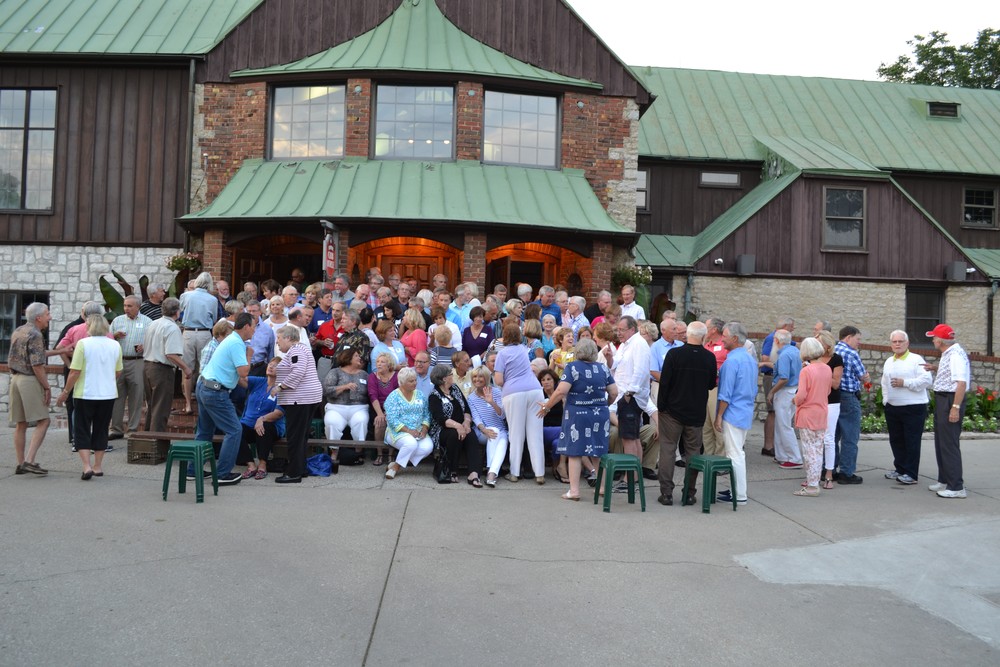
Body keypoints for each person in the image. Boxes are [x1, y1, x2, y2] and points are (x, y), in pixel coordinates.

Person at [537, 338, 617, 501]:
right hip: (599, 414)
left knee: (575, 452)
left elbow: (561, 391)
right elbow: (614, 392)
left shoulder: (572, 367)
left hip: (577, 414)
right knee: (598, 451)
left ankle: (574, 491)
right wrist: (604, 404)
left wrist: (547, 407)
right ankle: (603, 487)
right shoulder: (603, 368)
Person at [191, 312, 257, 485]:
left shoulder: (231, 339)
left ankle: (193, 470)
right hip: (215, 392)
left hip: (205, 386)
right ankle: (222, 474)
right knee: (234, 430)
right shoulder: (237, 343)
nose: (255, 330)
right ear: (246, 326)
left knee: (205, 431)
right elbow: (243, 372)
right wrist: (250, 355)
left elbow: (236, 376)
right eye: (254, 326)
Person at [656, 321, 717, 506]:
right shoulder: (709, 357)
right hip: (696, 411)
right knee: (693, 452)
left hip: (672, 410)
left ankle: (666, 493)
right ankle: (689, 493)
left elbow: (665, 382)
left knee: (667, 449)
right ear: (703, 337)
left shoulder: (674, 354)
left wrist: (661, 407)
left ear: (687, 335)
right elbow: (711, 384)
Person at [56, 315, 122, 480]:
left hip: (85, 393)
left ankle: (86, 466)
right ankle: (97, 466)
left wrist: (65, 391)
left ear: (89, 327)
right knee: (101, 429)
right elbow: (118, 371)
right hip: (107, 394)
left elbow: (75, 371)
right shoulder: (115, 345)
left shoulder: (83, 344)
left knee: (82, 428)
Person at [494, 321, 546, 483]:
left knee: (516, 434)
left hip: (514, 393)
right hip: (535, 390)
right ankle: (540, 474)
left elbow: (499, 380)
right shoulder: (524, 349)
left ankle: (514, 473)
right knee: (535, 434)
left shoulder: (502, 353)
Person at [10, 303, 59, 475]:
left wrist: (60, 350)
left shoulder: (19, 330)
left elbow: (36, 354)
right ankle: (29, 461)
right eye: (47, 314)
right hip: (29, 380)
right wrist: (47, 387)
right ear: (38, 317)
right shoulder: (36, 334)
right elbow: (37, 364)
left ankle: (21, 463)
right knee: (44, 420)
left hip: (16, 379)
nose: (49, 317)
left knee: (21, 423)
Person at [270, 326, 323, 484]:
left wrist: (280, 387)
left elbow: (298, 371)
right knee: (301, 437)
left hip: (300, 400)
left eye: (279, 339)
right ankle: (300, 468)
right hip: (305, 398)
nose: (277, 343)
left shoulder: (296, 350)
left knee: (295, 437)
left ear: (288, 338)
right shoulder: (300, 349)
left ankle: (293, 473)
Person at [712, 322, 757, 506]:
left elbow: (726, 394)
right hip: (745, 410)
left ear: (735, 338)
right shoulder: (749, 359)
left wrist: (719, 416)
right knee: (738, 452)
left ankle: (739, 494)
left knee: (734, 454)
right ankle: (736, 490)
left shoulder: (732, 361)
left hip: (733, 412)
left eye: (725, 336)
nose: (722, 339)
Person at [924, 324, 970, 498]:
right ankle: (945, 479)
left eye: (934, 337)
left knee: (949, 443)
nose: (933, 340)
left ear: (941, 340)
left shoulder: (955, 355)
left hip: (950, 399)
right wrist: (935, 368)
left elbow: (961, 383)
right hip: (944, 398)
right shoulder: (950, 353)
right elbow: (953, 374)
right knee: (941, 442)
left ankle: (956, 487)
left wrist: (955, 408)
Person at [881, 330, 932, 486]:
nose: (897, 344)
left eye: (900, 341)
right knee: (896, 440)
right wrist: (886, 400)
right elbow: (884, 382)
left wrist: (905, 383)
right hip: (893, 407)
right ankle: (900, 469)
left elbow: (927, 380)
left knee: (912, 441)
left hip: (913, 407)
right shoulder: (889, 361)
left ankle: (911, 473)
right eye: (894, 342)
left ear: (907, 343)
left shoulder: (916, 359)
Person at [610, 316, 657, 487]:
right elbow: (615, 364)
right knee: (633, 438)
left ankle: (630, 479)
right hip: (626, 395)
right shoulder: (625, 345)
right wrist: (608, 357)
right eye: (617, 330)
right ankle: (634, 476)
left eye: (622, 330)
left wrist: (630, 393)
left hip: (631, 396)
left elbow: (641, 370)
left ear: (632, 329)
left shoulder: (638, 344)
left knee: (629, 439)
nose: (619, 333)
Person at [141, 298, 192, 452]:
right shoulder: (172, 328)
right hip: (161, 369)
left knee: (152, 407)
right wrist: (186, 368)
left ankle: (148, 444)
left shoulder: (153, 323)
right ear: (177, 312)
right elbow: (171, 354)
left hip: (147, 366)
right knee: (160, 409)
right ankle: (158, 448)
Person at [792, 337, 833, 497]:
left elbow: (801, 395)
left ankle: (812, 485)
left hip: (808, 413)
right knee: (817, 449)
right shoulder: (827, 368)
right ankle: (814, 482)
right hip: (821, 412)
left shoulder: (806, 371)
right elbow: (828, 391)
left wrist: (795, 400)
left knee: (809, 451)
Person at [428, 364, 481, 486]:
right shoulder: (434, 395)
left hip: (461, 425)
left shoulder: (455, 389)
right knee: (453, 435)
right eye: (451, 374)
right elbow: (440, 419)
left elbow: (466, 408)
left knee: (471, 435)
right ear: (444, 379)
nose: (453, 376)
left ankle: (473, 473)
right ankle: (452, 471)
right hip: (442, 429)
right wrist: (458, 426)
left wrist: (466, 423)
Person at [107, 295, 151, 440]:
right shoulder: (117, 320)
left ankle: (132, 429)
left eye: (129, 306)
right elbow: (107, 339)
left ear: (138, 307)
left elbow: (153, 341)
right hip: (118, 361)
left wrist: (144, 346)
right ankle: (116, 429)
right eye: (125, 305)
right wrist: (114, 335)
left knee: (136, 396)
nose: (126, 308)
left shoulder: (147, 322)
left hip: (137, 361)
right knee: (117, 395)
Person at [178, 271, 219, 416]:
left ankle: (188, 404)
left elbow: (180, 312)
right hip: (204, 333)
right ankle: (203, 403)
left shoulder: (185, 296)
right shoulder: (212, 299)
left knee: (187, 369)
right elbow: (214, 318)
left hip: (188, 332)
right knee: (205, 369)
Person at [235, 366, 285, 480]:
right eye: (270, 364)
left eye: (275, 366)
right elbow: (241, 378)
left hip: (271, 428)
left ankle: (262, 465)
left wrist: (261, 419)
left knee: (264, 427)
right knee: (236, 429)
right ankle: (251, 465)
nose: (271, 367)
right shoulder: (259, 381)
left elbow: (278, 413)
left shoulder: (282, 388)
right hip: (248, 424)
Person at [323, 349, 372, 464]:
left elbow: (370, 392)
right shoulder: (335, 372)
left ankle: (358, 453)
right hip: (336, 408)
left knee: (361, 422)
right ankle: (334, 453)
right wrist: (344, 387)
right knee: (331, 422)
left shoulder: (364, 374)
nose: (359, 358)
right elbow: (326, 390)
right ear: (348, 358)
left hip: (359, 408)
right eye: (356, 356)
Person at [834, 325, 869, 484]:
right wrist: (866, 379)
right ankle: (846, 473)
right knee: (850, 436)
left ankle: (829, 469)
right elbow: (863, 376)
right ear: (848, 337)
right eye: (857, 339)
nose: (859, 342)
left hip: (833, 396)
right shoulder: (851, 353)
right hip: (848, 396)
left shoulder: (832, 350)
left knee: (833, 436)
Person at [383, 367, 433, 480]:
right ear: (402, 382)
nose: (415, 383)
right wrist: (409, 431)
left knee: (428, 447)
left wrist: (425, 428)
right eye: (411, 381)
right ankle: (395, 469)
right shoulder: (393, 397)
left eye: (415, 380)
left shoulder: (420, 395)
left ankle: (396, 464)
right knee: (411, 444)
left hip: (418, 431)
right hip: (397, 432)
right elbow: (392, 419)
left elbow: (427, 414)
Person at [759, 317, 795, 457]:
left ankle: (774, 446)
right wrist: (779, 364)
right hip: (772, 377)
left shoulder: (785, 340)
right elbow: (765, 358)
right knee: (772, 411)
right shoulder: (771, 339)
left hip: (778, 377)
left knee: (776, 412)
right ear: (785, 326)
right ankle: (768, 446)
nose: (793, 329)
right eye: (792, 326)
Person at [467, 365, 507, 487]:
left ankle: (491, 473)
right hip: (481, 432)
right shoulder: (471, 397)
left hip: (501, 430)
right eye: (474, 377)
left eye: (480, 377)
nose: (477, 379)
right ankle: (491, 474)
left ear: (486, 378)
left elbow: (502, 415)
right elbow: (476, 418)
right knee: (494, 432)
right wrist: (484, 430)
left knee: (502, 441)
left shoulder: (496, 392)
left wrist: (491, 402)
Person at [769, 329, 802, 468]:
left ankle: (794, 458)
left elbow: (784, 378)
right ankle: (782, 455)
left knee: (784, 425)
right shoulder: (795, 351)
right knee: (782, 424)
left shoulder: (783, 355)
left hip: (785, 391)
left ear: (776, 340)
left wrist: (771, 392)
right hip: (793, 390)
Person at [816, 331, 843, 489]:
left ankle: (829, 474)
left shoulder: (836, 359)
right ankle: (814, 473)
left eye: (819, 342)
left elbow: (835, 384)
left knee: (829, 438)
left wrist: (819, 370)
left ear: (827, 345)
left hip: (831, 402)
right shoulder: (812, 358)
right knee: (815, 439)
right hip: (816, 401)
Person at [701, 317, 729, 457]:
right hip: (704, 389)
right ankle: (708, 456)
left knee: (716, 424)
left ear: (714, 330)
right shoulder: (706, 345)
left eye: (706, 327)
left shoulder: (725, 346)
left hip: (717, 388)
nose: (704, 331)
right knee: (706, 426)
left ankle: (719, 458)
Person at [368, 352, 399, 467]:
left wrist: (388, 412)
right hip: (377, 407)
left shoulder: (397, 376)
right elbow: (373, 396)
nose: (379, 364)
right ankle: (380, 454)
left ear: (389, 364)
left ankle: (391, 454)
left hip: (394, 407)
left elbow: (398, 396)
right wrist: (380, 413)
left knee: (392, 421)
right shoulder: (372, 377)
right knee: (379, 422)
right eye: (377, 362)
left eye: (382, 362)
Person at [537, 368, 567, 480]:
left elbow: (566, 416)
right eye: (543, 380)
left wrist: (564, 403)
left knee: (557, 443)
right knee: (565, 432)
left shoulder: (561, 396)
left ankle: (556, 467)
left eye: (549, 379)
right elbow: (537, 416)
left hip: (559, 432)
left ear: (554, 381)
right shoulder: (538, 396)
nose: (546, 382)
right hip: (543, 431)